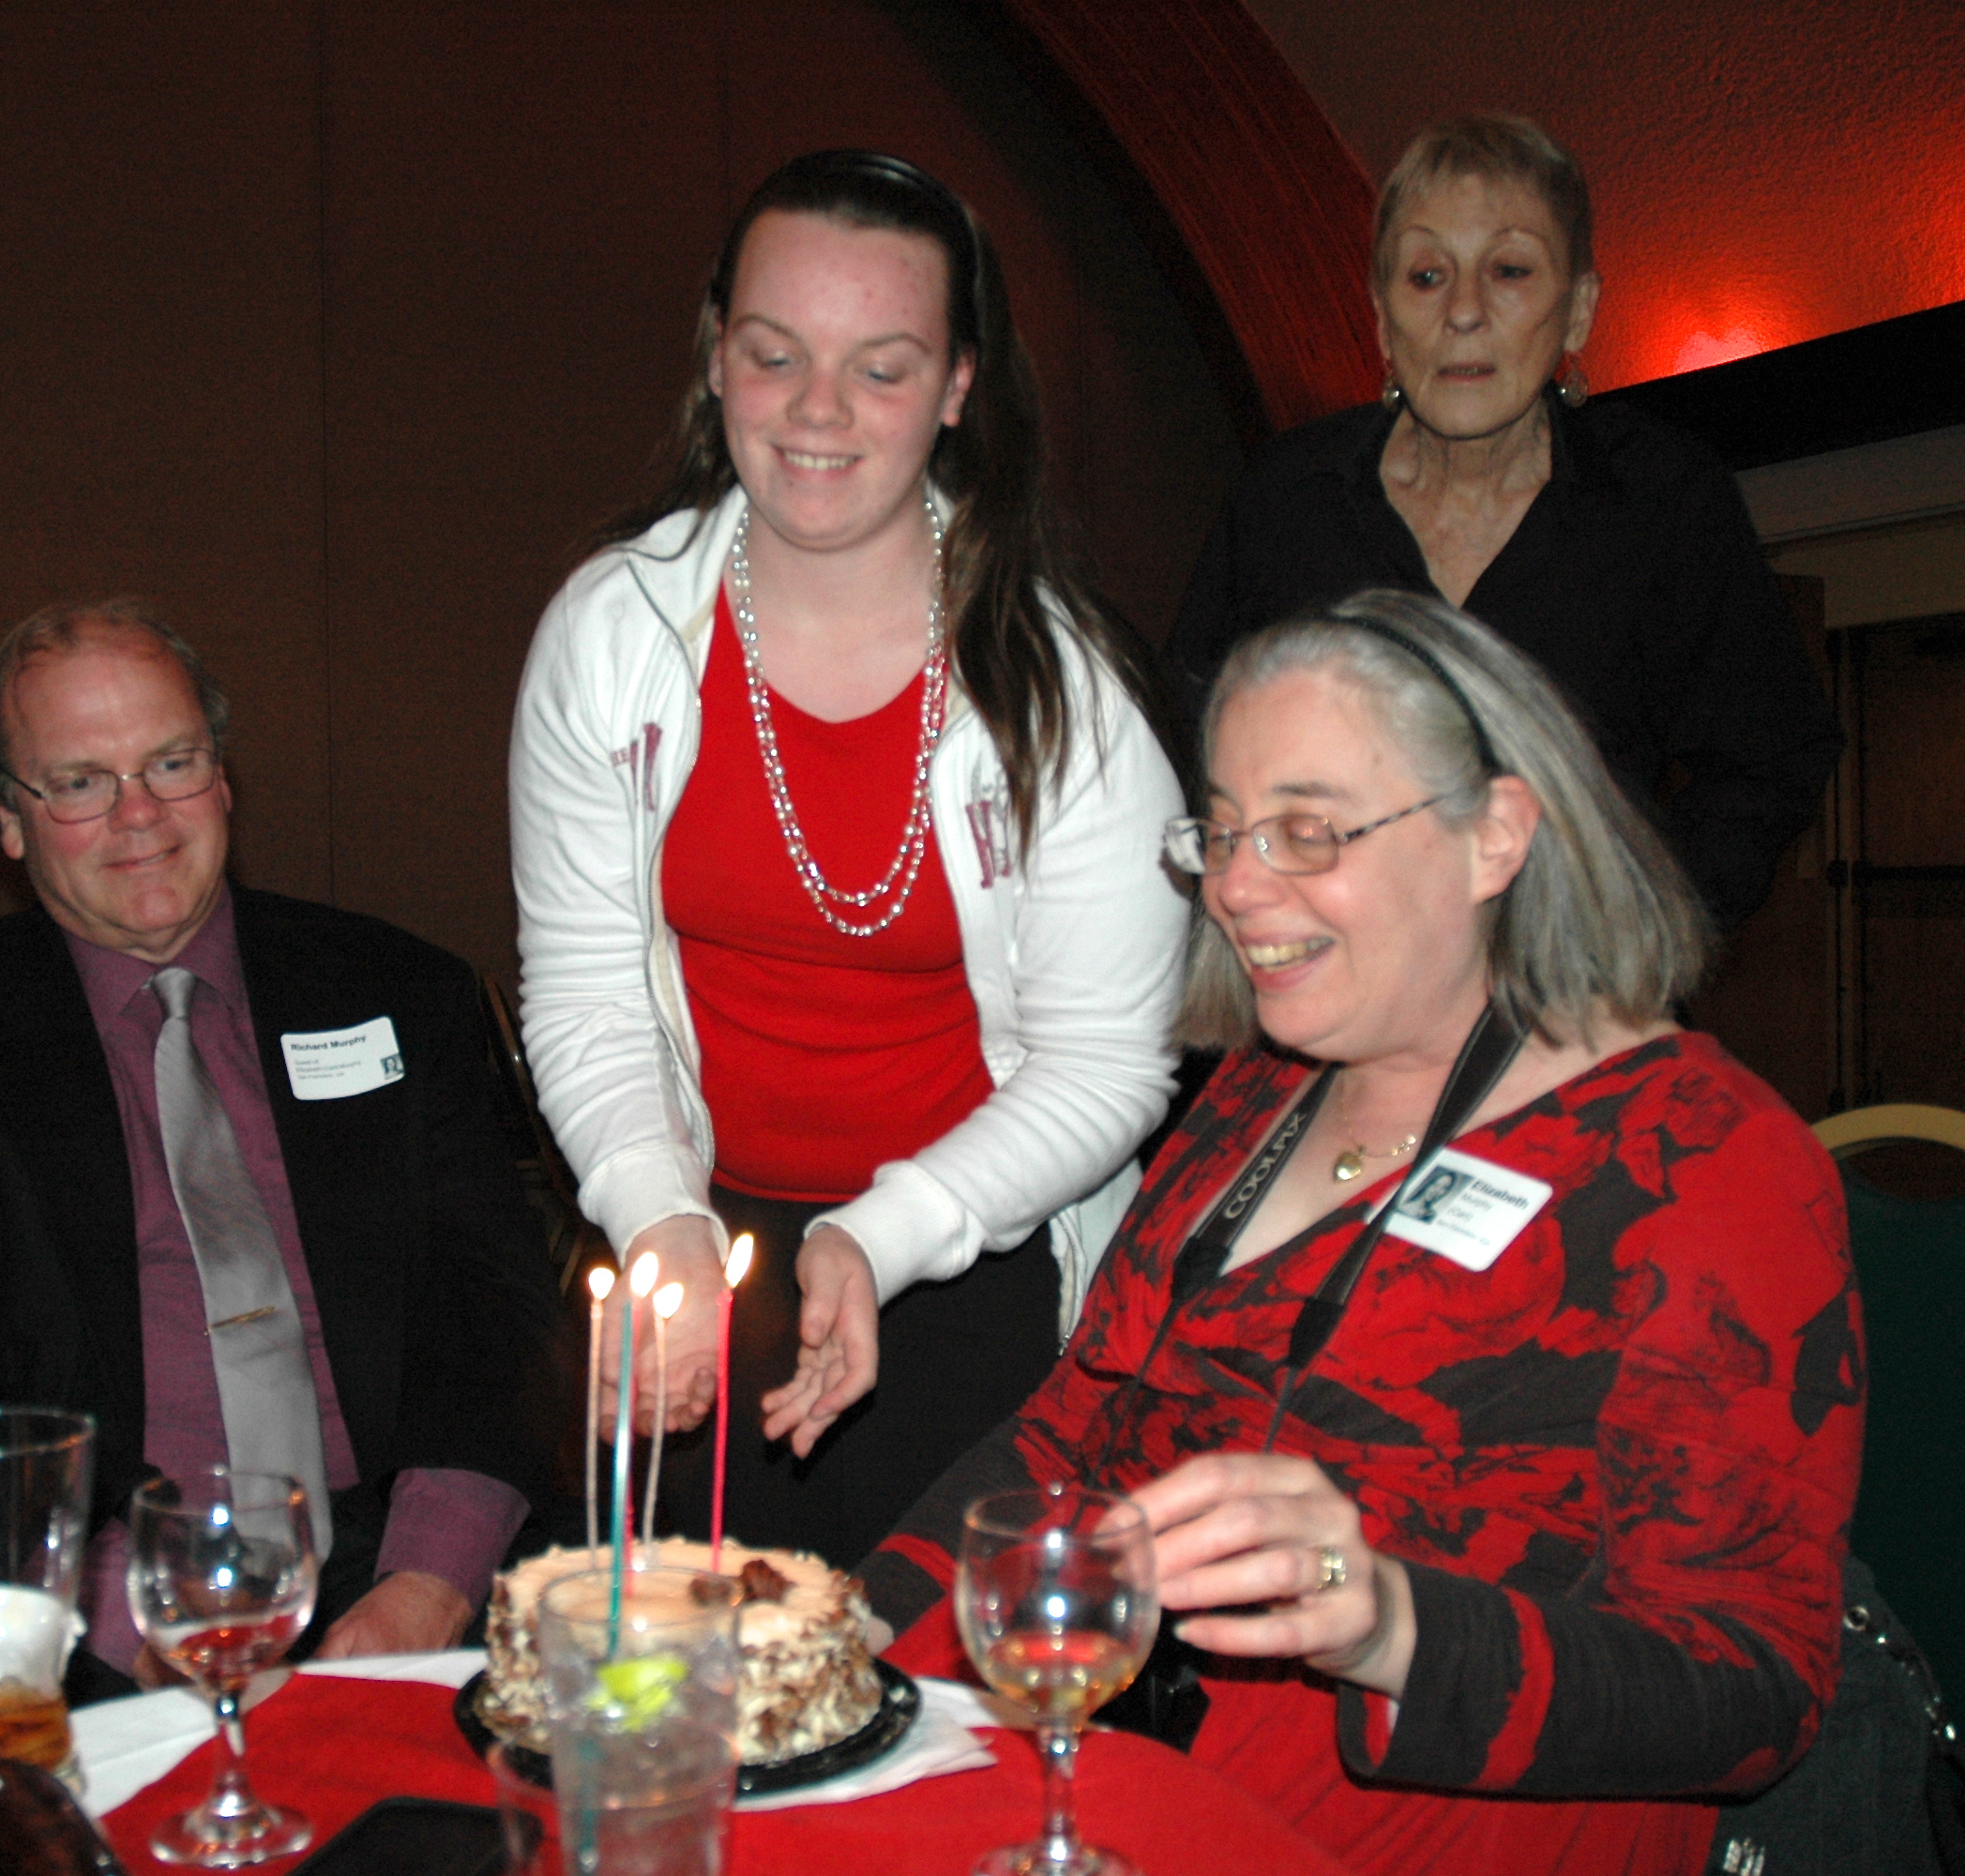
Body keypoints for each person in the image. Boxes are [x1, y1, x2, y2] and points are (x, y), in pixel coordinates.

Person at [862, 591, 1862, 1874]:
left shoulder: (1705, 1162)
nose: (1235, 887)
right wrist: (853, 1631)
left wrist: (1388, 1622)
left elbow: (1755, 1687)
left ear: (1494, 836)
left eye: (1307, 830)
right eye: (1222, 831)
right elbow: (1073, 1427)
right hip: (1111, 1775)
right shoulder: (1257, 1094)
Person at [510, 150, 1186, 1567]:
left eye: (880, 369)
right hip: (692, 1228)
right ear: (715, 358)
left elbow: (1110, 1065)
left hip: (973, 1243)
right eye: (775, 356)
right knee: (682, 1659)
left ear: (957, 386)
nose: (818, 411)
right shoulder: (609, 633)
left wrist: (881, 1233)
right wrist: (655, 1214)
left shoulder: (1062, 686)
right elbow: (583, 990)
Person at [0, 600, 562, 1743]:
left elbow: (499, 1312)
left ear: (223, 776)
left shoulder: (397, 991)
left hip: (400, 1548)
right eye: (79, 782)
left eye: (171, 762)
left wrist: (429, 1582)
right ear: (7, 816)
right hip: (84, 1589)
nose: (140, 814)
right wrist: (143, 1617)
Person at [1167, 113, 1839, 932]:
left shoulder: (1663, 502)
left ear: (1579, 309)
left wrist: (1634, 938)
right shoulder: (1286, 500)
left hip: (1569, 998)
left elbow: (1770, 761)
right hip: (1323, 981)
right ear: (1380, 317)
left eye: (1509, 270)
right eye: (1426, 276)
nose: (1464, 311)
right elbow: (1187, 744)